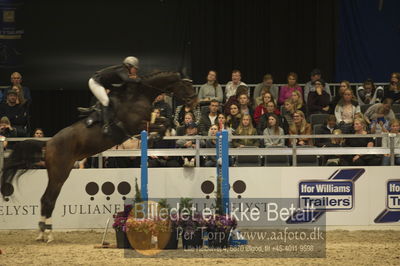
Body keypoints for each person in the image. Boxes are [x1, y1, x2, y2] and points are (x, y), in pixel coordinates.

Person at [82, 56, 140, 133]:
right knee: (105, 101)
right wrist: (139, 79)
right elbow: (126, 79)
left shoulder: (123, 71)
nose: (135, 71)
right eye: (135, 68)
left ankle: (95, 108)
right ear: (129, 66)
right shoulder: (122, 69)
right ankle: (106, 125)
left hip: (104, 84)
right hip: (95, 82)